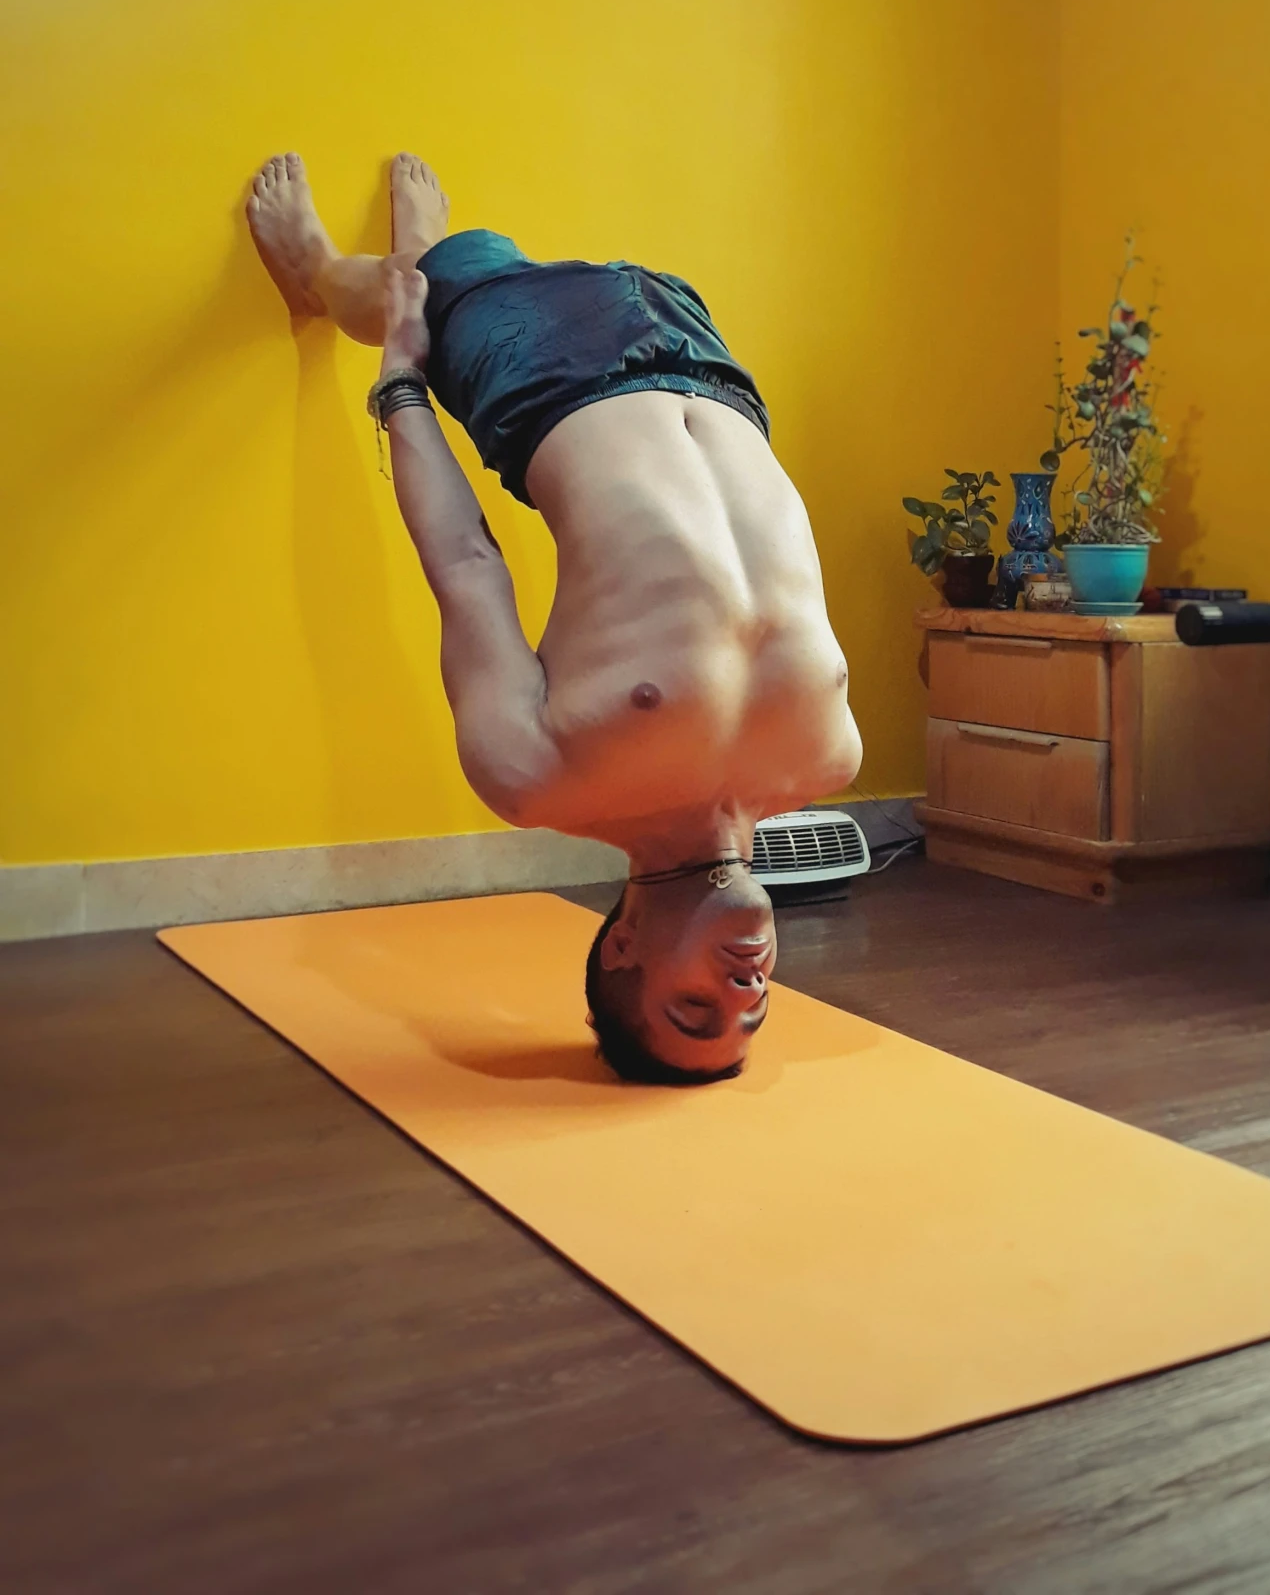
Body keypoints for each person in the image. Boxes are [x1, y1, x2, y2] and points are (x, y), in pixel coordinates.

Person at [247, 152, 861, 1085]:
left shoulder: (540, 780)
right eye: (753, 1014)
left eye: (693, 1008)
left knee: (445, 282)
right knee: (451, 271)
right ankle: (417, 256)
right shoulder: (825, 760)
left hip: (551, 379)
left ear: (621, 950)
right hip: (715, 373)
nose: (745, 989)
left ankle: (324, 276)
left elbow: (464, 565)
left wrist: (404, 382)